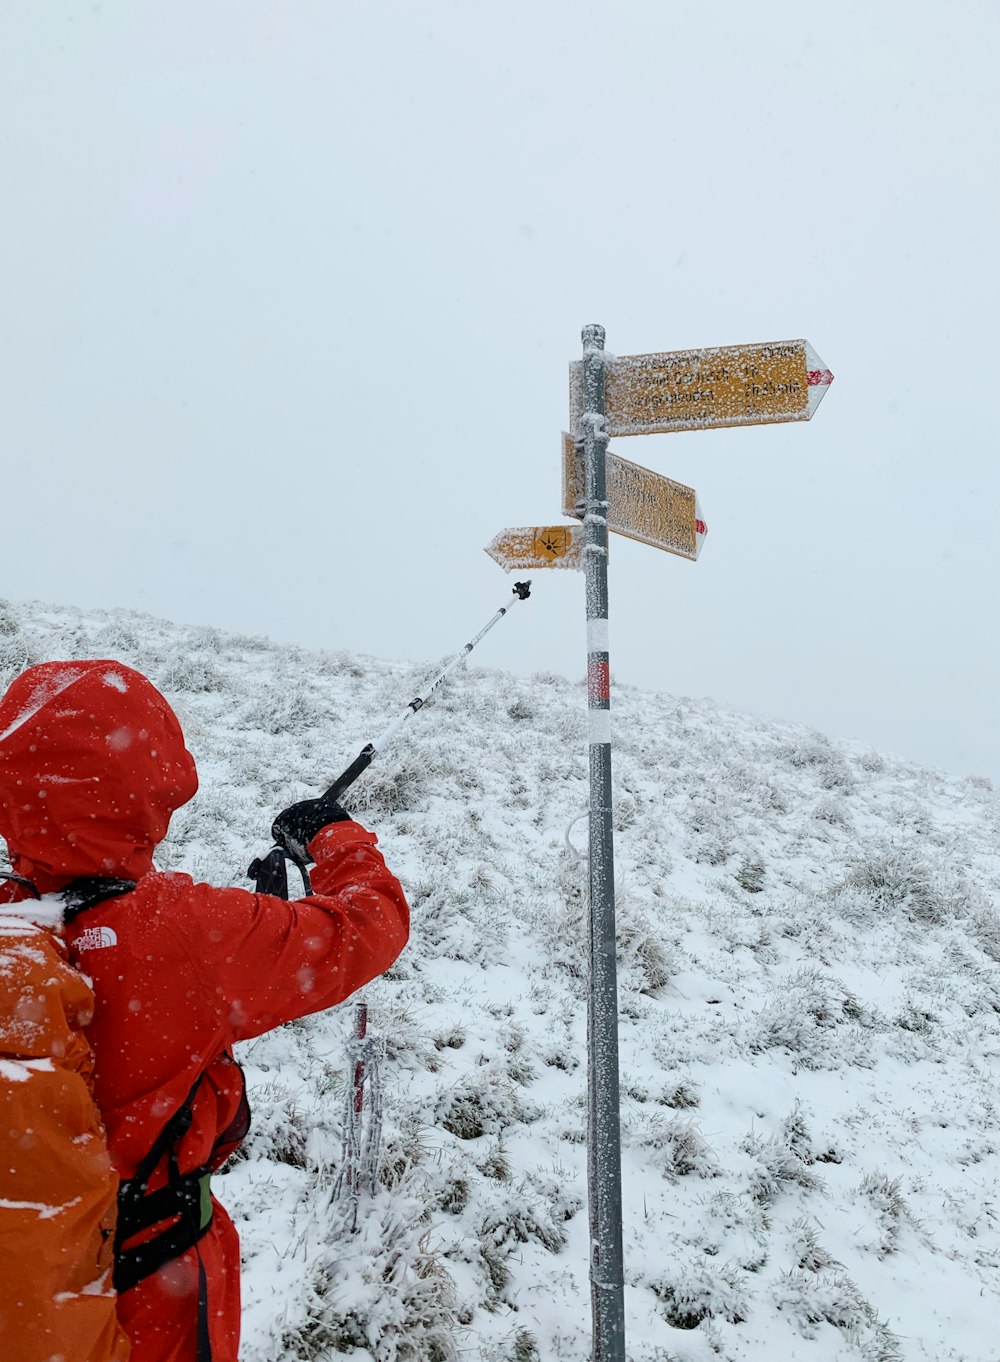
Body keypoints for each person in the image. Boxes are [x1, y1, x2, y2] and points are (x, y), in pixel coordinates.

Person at [0, 659, 410, 1362]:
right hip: (157, 1293)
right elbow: (369, 926)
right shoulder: (193, 933)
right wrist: (334, 836)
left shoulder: (15, 927)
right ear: (153, 782)